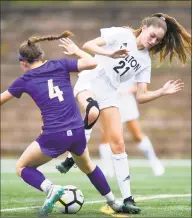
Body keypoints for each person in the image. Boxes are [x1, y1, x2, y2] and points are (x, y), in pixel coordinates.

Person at [56, 12, 190, 211]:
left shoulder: (145, 61)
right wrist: (110, 54)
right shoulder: (122, 34)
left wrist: (162, 91)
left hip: (110, 91)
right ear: (144, 27)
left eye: (158, 40)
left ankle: (128, 199)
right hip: (91, 79)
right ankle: (70, 157)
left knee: (118, 144)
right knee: (92, 112)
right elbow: (88, 46)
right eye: (152, 35)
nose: (153, 41)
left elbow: (141, 96)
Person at [0, 31, 140, 216]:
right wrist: (76, 50)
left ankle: (51, 188)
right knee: (88, 166)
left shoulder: (24, 79)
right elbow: (92, 62)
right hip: (77, 131)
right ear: (41, 56)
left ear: (23, 62)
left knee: (22, 167)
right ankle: (113, 203)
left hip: (54, 135)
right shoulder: (60, 64)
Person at [98, 78, 165, 178]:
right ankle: (107, 169)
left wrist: (123, 91)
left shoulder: (131, 64)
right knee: (106, 138)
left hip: (126, 102)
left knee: (137, 135)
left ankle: (154, 162)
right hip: (108, 103)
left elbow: (139, 87)